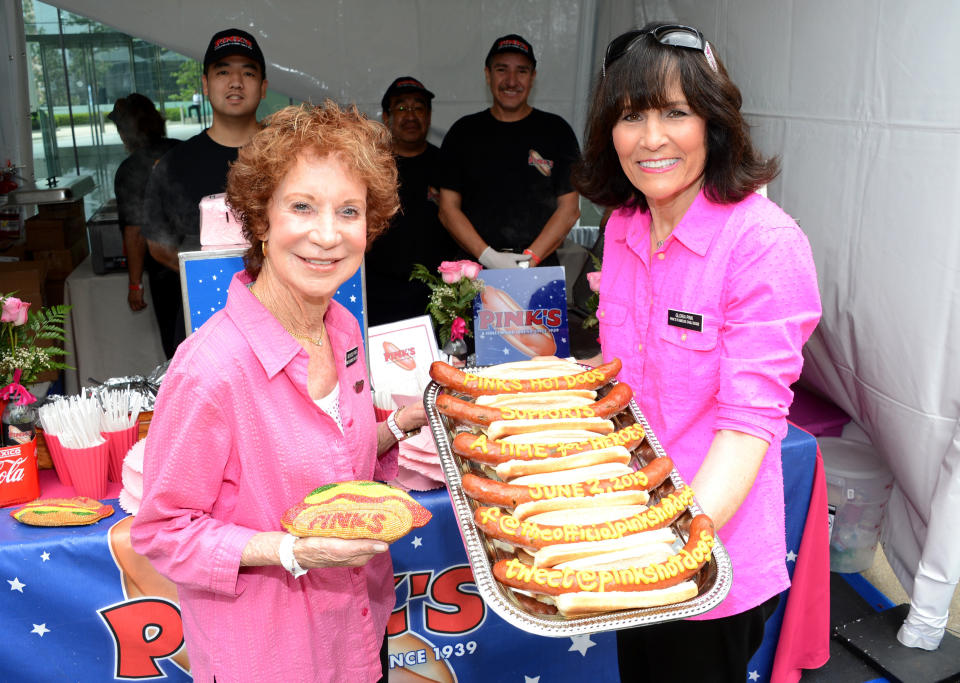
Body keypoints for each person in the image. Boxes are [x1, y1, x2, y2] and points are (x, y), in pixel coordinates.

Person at [130, 102, 429, 682]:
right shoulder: (210, 369)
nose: (327, 234)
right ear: (260, 220)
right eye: (302, 207)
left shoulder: (342, 330)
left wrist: (400, 424)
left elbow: (335, 467)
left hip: (359, 635)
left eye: (349, 211)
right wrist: (289, 550)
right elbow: (162, 533)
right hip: (271, 655)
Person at [572, 23, 821, 681]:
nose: (651, 137)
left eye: (674, 112)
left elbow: (748, 425)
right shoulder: (627, 225)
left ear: (713, 120)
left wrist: (667, 548)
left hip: (706, 555)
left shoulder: (764, 243)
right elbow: (618, 378)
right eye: (631, 116)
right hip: (631, 527)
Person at [142, 28, 268, 352]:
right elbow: (158, 245)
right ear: (205, 84)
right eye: (223, 71)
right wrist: (219, 279)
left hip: (285, 322)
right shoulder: (173, 165)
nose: (235, 81)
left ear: (264, 87)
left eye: (248, 72)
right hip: (205, 329)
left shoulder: (291, 156)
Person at [438, 34, 581, 269]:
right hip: (473, 272)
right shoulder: (463, 132)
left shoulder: (556, 130)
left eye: (522, 71)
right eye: (502, 69)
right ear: (488, 74)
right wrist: (487, 257)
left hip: (539, 269)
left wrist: (529, 260)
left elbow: (570, 209)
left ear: (533, 77)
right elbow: (447, 209)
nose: (511, 81)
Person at [365, 76, 456, 326]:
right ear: (386, 117)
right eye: (402, 108)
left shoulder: (447, 164)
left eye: (418, 107)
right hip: (381, 294)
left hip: (437, 295)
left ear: (428, 115)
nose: (411, 115)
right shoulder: (371, 166)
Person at [107, 93, 182, 358]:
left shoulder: (131, 169)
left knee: (176, 351)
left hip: (165, 272)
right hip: (200, 262)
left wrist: (134, 285)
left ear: (127, 131)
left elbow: (135, 231)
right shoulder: (183, 151)